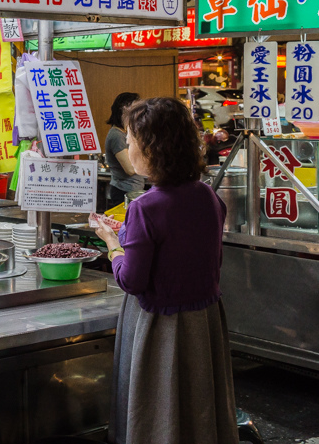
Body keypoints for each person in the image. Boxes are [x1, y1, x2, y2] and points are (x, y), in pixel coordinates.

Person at [93, 98, 238, 444]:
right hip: (204, 322)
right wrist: (129, 232)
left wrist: (112, 243)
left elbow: (131, 279)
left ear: (152, 147)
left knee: (158, 413)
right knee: (199, 408)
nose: (127, 145)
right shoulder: (208, 196)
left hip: (160, 326)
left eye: (131, 139)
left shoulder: (145, 207)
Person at [105, 92, 145, 209]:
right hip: (124, 192)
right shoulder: (117, 135)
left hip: (132, 190)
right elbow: (130, 169)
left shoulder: (124, 132)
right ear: (124, 110)